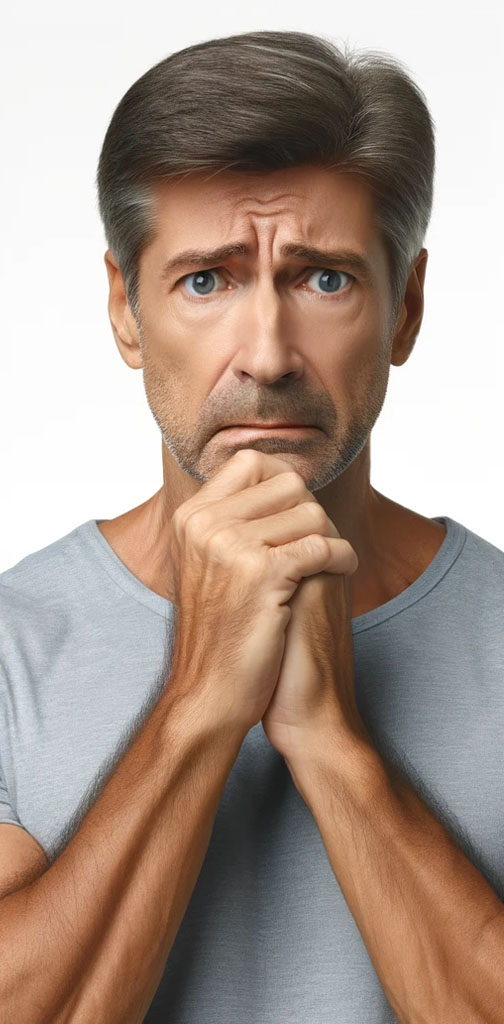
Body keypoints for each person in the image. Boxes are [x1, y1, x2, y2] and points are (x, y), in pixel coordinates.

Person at [0, 28, 503, 1024]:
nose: (267, 355)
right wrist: (197, 707)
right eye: (207, 280)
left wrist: (332, 741)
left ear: (406, 307)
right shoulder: (13, 647)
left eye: (324, 278)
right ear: (125, 309)